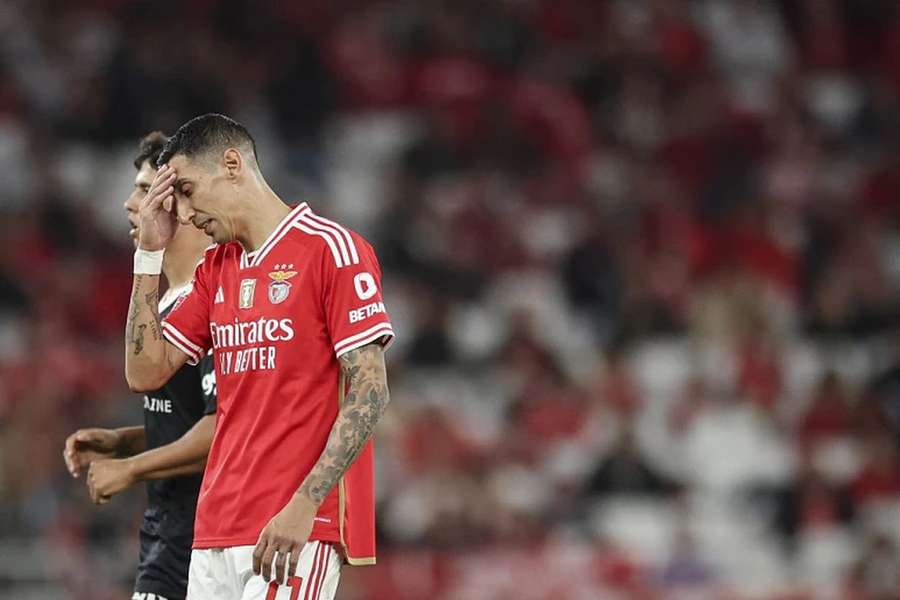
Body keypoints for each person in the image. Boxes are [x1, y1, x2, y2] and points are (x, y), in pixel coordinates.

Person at [124, 113, 394, 600]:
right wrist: (148, 254)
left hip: (290, 529)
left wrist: (306, 504)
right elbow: (144, 372)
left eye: (185, 189)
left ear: (231, 164)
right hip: (212, 533)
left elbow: (370, 392)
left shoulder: (332, 250)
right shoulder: (214, 269)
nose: (183, 214)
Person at [62, 131, 217, 600]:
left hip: (206, 538)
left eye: (146, 190)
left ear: (182, 203)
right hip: (167, 535)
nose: (131, 204)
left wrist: (131, 467)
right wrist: (123, 440)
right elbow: (192, 418)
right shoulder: (167, 299)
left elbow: (227, 429)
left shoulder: (216, 299)